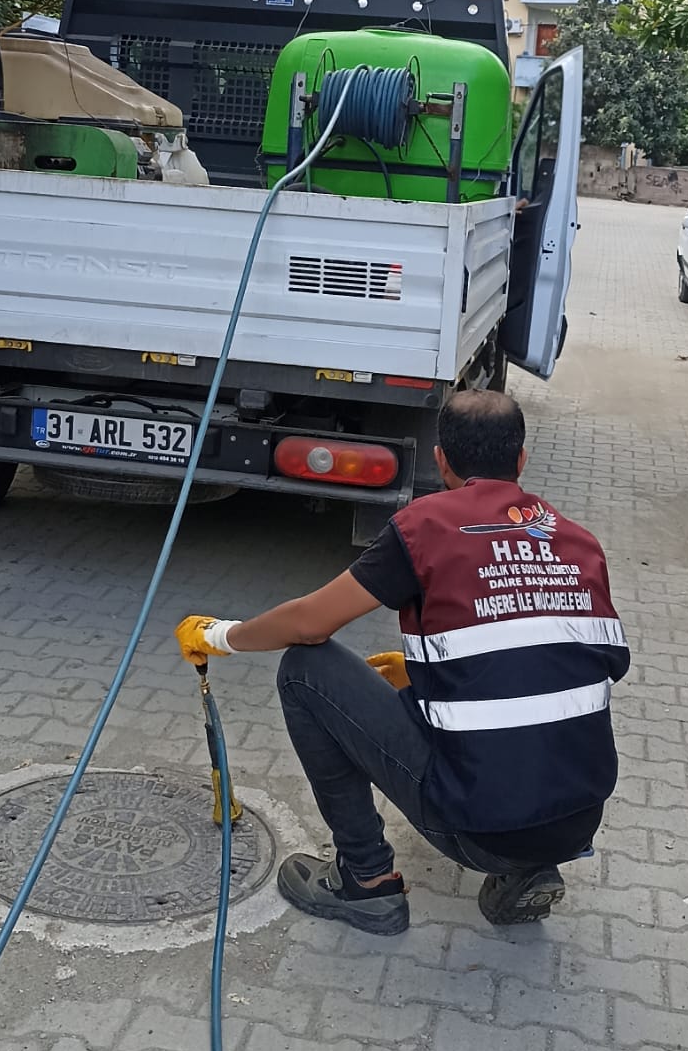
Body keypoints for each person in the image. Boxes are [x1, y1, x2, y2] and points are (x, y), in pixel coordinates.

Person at [175, 389, 628, 936]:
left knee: (304, 671)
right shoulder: (579, 544)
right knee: (534, 738)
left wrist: (221, 636)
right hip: (578, 820)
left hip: (479, 828)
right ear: (522, 459)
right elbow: (553, 662)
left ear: (441, 461)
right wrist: (423, 676)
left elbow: (309, 623)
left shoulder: (427, 528)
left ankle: (367, 883)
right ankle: (530, 868)